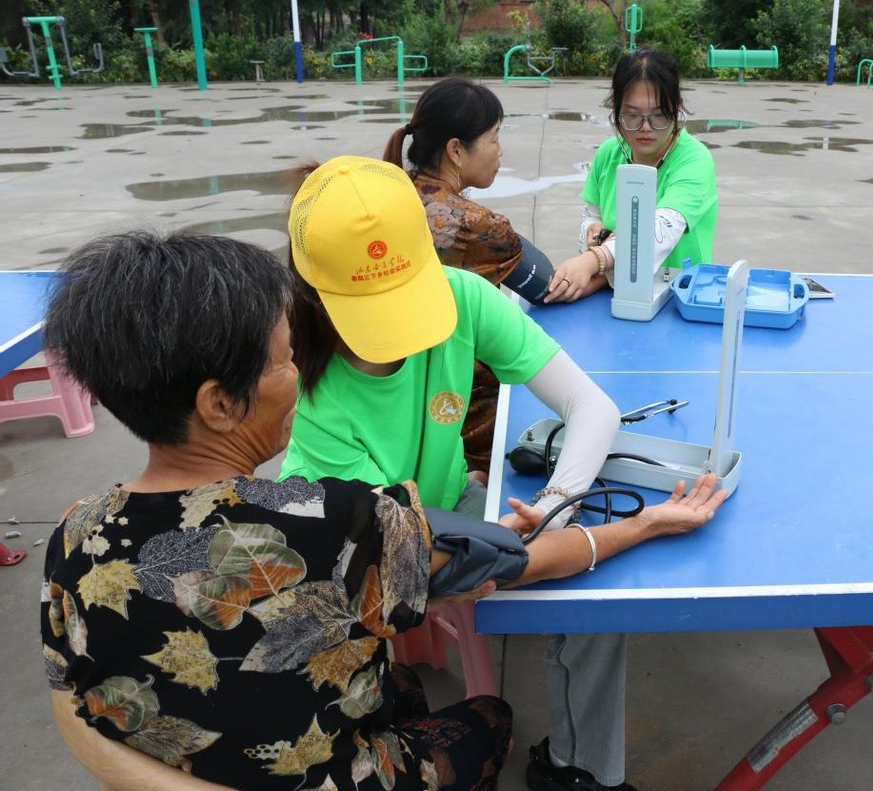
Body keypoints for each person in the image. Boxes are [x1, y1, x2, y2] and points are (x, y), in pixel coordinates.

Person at [39, 230, 727, 791]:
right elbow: (527, 560)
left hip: (182, 762)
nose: (300, 377)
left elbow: (73, 692)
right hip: (337, 776)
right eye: (285, 361)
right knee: (488, 717)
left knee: (396, 681)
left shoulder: (72, 536)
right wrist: (643, 523)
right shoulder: (336, 524)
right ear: (220, 404)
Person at [279, 155, 656, 791]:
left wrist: (556, 504)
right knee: (581, 557)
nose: (400, 333)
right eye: (375, 310)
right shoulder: (306, 397)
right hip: (369, 554)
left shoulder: (459, 298)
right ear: (316, 296)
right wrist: (544, 547)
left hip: (453, 509)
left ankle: (580, 771)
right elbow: (409, 557)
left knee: (594, 600)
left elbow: (594, 408)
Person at [382, 77, 557, 477]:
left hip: (397, 404)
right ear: (456, 151)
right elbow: (549, 285)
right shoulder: (479, 226)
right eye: (494, 137)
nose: (500, 150)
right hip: (467, 420)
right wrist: (601, 261)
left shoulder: (391, 197)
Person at [544, 47, 719, 304]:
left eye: (659, 115)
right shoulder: (608, 154)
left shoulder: (694, 160)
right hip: (615, 294)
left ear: (677, 108)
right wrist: (593, 232)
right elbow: (591, 215)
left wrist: (597, 259)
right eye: (632, 116)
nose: (645, 128)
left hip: (680, 300)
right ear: (616, 110)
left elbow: (662, 229)